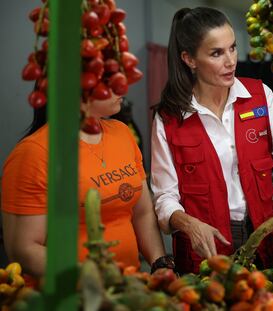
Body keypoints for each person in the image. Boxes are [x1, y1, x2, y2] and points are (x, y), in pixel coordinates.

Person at [151, 7, 273, 274]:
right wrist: (187, 223)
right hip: (204, 246)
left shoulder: (259, 96)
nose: (231, 60)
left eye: (232, 48)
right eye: (216, 53)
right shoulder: (170, 118)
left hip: (261, 237)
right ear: (189, 59)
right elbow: (164, 196)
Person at [1, 91, 170, 280]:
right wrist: (91, 279)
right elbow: (24, 249)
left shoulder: (122, 132)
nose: (121, 90)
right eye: (109, 83)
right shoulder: (33, 153)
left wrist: (159, 263)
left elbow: (143, 213)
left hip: (127, 287)